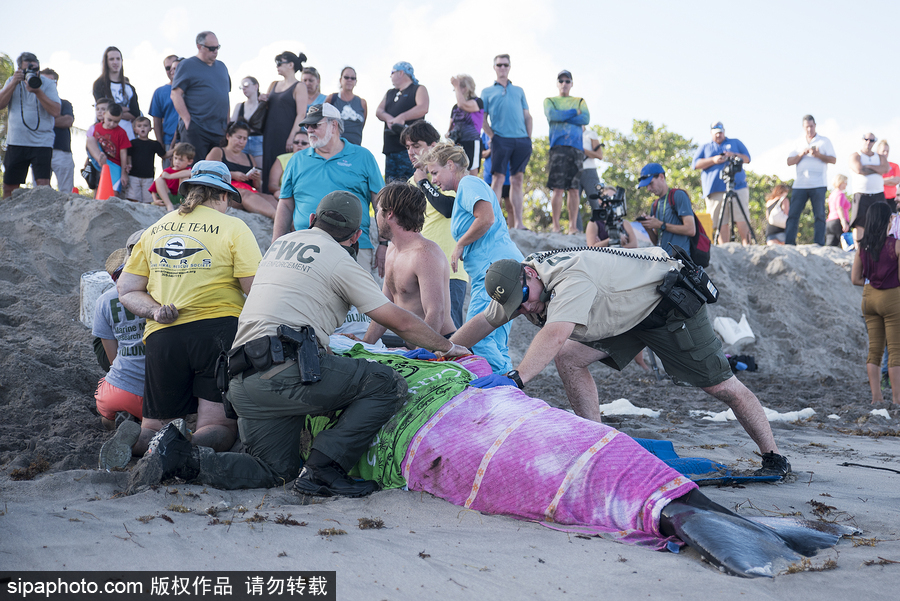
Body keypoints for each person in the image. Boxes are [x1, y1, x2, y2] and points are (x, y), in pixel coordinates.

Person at [125, 191, 469, 498]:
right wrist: (449, 347)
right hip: (285, 372)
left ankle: (183, 459)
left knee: (276, 471)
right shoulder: (340, 260)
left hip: (241, 381)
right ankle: (324, 470)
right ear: (356, 236)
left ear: (311, 220)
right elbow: (401, 320)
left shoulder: (278, 245)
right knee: (385, 383)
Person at [449, 250, 791, 476]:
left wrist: (517, 379)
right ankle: (598, 444)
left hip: (667, 308)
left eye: (523, 301)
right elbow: (485, 320)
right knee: (571, 357)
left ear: (530, 274)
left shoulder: (570, 280)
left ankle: (774, 457)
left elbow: (554, 334)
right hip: (625, 314)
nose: (523, 310)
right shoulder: (517, 285)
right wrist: (445, 351)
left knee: (721, 386)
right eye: (515, 309)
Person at [116, 160, 262, 458]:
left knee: (154, 424)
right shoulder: (234, 227)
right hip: (217, 333)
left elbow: (127, 289)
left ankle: (138, 443)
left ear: (188, 190)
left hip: (162, 335)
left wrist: (155, 311)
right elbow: (255, 290)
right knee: (218, 424)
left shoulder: (156, 228)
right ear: (223, 195)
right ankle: (186, 449)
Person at [423, 142, 524, 374]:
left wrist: (460, 245)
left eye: (435, 172)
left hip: (495, 272)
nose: (434, 180)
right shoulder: (465, 192)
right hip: (501, 270)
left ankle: (507, 387)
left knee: (477, 338)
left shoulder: (469, 182)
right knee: (495, 340)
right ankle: (507, 391)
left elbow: (486, 218)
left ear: (450, 165)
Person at [275, 103, 386, 278]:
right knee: (308, 303)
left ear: (334, 125)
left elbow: (381, 203)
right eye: (307, 125)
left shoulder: (363, 156)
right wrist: (276, 245)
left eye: (315, 125)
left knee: (358, 305)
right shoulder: (297, 160)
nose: (309, 130)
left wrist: (385, 243)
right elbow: (286, 205)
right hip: (304, 247)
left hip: (353, 246)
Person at [363, 182, 456, 346]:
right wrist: (365, 345)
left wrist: (417, 356)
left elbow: (436, 314)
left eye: (378, 210)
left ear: (389, 214)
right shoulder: (392, 249)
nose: (376, 217)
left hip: (437, 345)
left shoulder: (425, 255)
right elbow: (385, 307)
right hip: (411, 344)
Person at [401, 121, 469, 328]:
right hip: (418, 270)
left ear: (433, 145)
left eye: (416, 145)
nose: (412, 152)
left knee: (450, 336)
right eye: (408, 147)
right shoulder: (410, 183)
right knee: (419, 334)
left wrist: (424, 181)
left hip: (449, 270)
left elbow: (448, 208)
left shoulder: (447, 174)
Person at [95, 232, 149, 470]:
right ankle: (143, 425)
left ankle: (112, 418)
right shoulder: (156, 293)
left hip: (116, 391)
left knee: (108, 378)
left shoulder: (104, 300)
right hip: (154, 396)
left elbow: (111, 358)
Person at [851, 202, 900, 405]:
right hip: (891, 297)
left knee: (874, 351)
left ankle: (876, 398)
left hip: (869, 297)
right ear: (887, 220)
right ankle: (897, 399)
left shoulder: (863, 246)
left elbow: (855, 278)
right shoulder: (896, 245)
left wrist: (872, 282)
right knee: (896, 351)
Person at [481, 54, 533, 230]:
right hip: (500, 139)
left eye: (505, 65)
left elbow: (527, 115)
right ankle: (495, 222)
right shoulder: (487, 92)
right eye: (499, 65)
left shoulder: (518, 90)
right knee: (498, 179)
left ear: (510, 67)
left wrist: (528, 138)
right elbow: (482, 117)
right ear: (494, 67)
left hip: (521, 140)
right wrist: (492, 136)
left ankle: (519, 223)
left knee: (517, 180)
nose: (502, 68)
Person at [0, 52, 61, 198]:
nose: (32, 73)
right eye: (27, 69)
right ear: (19, 70)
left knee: (43, 185)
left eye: (35, 69)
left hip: (42, 142)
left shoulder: (48, 84)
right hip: (16, 141)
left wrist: (38, 92)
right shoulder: (11, 81)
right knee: (9, 187)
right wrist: (14, 82)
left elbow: (56, 111)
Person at [171, 31, 231, 161]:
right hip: (198, 128)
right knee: (196, 170)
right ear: (199, 46)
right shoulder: (187, 65)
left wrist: (227, 124)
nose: (215, 51)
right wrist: (188, 121)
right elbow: (175, 94)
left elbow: (225, 97)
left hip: (219, 130)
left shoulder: (222, 67)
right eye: (211, 48)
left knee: (215, 171)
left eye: (217, 47)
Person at [544, 70, 590, 234]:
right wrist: (573, 113)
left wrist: (562, 116)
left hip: (576, 148)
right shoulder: (550, 100)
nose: (564, 84)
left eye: (567, 81)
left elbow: (585, 119)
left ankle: (573, 227)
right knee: (557, 188)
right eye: (561, 81)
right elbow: (552, 115)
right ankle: (556, 226)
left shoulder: (580, 101)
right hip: (558, 147)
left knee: (574, 189)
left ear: (571, 83)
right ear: (557, 83)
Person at [691, 121, 751, 245]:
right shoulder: (705, 147)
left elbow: (747, 158)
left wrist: (732, 155)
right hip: (715, 190)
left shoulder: (735, 142)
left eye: (721, 133)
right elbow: (695, 164)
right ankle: (725, 248)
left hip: (737, 187)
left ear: (724, 132)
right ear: (711, 133)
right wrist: (713, 160)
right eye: (716, 134)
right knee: (720, 221)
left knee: (742, 218)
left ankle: (748, 246)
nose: (719, 136)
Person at [206, 122, 278, 218]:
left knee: (269, 198)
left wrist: (256, 178)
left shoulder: (250, 157)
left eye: (245, 139)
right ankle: (276, 217)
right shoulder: (218, 151)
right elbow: (207, 173)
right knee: (245, 194)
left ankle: (288, 220)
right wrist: (232, 175)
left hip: (249, 192)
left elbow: (257, 187)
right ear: (228, 136)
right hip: (225, 192)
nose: (241, 142)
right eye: (239, 137)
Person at [261, 52, 308, 194]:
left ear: (291, 65)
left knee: (284, 164)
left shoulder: (299, 86)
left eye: (280, 63)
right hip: (269, 132)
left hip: (287, 132)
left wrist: (292, 136)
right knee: (268, 163)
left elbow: (301, 114)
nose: (277, 66)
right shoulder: (273, 84)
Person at [785, 115, 837, 245]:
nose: (809, 129)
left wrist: (818, 155)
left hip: (818, 184)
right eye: (807, 127)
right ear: (803, 127)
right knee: (793, 215)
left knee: (819, 215)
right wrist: (801, 154)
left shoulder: (824, 141)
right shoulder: (798, 142)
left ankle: (818, 243)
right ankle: (789, 243)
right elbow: (789, 161)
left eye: (812, 126)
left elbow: (833, 160)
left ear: (815, 125)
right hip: (800, 184)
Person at [376, 61, 429, 182]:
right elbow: (379, 111)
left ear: (401, 73)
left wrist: (402, 117)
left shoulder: (418, 89)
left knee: (410, 188)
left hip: (410, 149)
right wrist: (389, 119)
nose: (390, 76)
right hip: (391, 148)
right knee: (390, 189)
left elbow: (423, 107)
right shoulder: (390, 93)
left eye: (392, 73)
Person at [636, 163, 696, 252]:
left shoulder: (679, 195)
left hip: (681, 261)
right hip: (663, 260)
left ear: (661, 177)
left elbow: (691, 230)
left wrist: (660, 225)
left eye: (651, 183)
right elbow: (656, 241)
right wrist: (648, 228)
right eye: (646, 186)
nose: (648, 189)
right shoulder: (655, 205)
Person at [92, 47, 141, 140]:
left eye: (118, 59)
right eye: (111, 59)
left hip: (127, 136)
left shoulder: (129, 88)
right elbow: (103, 110)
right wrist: (126, 109)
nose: (115, 62)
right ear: (106, 62)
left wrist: (113, 111)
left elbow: (135, 113)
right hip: (105, 136)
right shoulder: (99, 84)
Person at [39, 69, 74, 194]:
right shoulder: (33, 104)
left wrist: (44, 121)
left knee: (66, 193)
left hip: (62, 151)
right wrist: (56, 120)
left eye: (51, 81)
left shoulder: (65, 104)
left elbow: (67, 121)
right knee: (39, 193)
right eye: (43, 80)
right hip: (40, 151)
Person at [850, 133, 889, 241]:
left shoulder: (879, 157)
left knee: (881, 222)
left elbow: (885, 169)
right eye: (866, 139)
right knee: (859, 223)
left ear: (874, 142)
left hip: (878, 194)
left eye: (871, 140)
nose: (868, 142)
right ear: (862, 140)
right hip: (861, 193)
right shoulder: (856, 155)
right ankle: (858, 250)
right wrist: (877, 169)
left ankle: (880, 248)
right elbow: (859, 170)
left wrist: (868, 166)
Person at [88, 104, 131, 193]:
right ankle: (101, 161)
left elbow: (123, 153)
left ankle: (103, 163)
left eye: (116, 122)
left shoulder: (121, 132)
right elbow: (92, 146)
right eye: (109, 120)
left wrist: (123, 173)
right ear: (104, 114)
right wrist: (87, 162)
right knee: (90, 139)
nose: (112, 124)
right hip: (99, 159)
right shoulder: (97, 127)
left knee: (113, 192)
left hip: (114, 164)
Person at [447, 74, 484, 175]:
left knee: (472, 173)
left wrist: (456, 86)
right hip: (457, 143)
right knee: (457, 173)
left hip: (472, 142)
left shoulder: (478, 101)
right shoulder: (455, 107)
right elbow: (451, 126)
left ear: (465, 87)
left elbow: (462, 105)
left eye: (459, 87)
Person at [125, 116, 167, 203]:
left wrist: (175, 150)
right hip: (134, 175)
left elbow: (164, 155)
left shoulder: (154, 144)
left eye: (145, 125)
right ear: (135, 129)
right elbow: (128, 156)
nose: (142, 128)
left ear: (150, 128)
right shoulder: (132, 143)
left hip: (148, 175)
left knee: (147, 200)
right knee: (133, 198)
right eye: (139, 126)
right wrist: (128, 164)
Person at [325, 66, 367, 146]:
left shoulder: (362, 103)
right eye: (346, 77)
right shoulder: (332, 99)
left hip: (355, 149)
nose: (349, 80)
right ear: (340, 80)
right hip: (334, 148)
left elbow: (361, 126)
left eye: (353, 78)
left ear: (356, 81)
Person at [149, 55, 181, 156]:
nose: (171, 70)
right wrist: (160, 143)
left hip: (189, 140)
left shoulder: (192, 89)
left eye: (174, 67)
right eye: (168, 68)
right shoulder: (159, 92)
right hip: (168, 141)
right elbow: (156, 121)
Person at [149, 142, 196, 211]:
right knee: (159, 180)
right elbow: (154, 188)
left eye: (181, 160)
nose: (177, 162)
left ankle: (185, 204)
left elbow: (190, 173)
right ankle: (169, 205)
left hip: (182, 198)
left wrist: (170, 176)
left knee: (185, 178)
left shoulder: (188, 170)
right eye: (175, 158)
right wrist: (155, 200)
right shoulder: (167, 171)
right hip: (168, 197)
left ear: (189, 162)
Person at [230, 76, 264, 167]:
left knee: (258, 172)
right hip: (241, 141)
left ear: (255, 86)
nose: (244, 88)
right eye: (241, 87)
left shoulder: (264, 105)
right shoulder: (239, 106)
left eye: (246, 85)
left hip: (259, 141)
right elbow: (232, 126)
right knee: (241, 168)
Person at [267, 129, 309, 199]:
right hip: (286, 194)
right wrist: (288, 192)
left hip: (306, 195)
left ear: (311, 145)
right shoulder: (282, 159)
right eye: (296, 142)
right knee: (277, 194)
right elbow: (272, 186)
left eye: (304, 143)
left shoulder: (315, 160)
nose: (299, 145)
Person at [580, 126, 604, 212]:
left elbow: (599, 155)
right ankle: (576, 226)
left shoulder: (590, 134)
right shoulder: (571, 135)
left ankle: (600, 224)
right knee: (573, 206)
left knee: (596, 202)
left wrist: (583, 150)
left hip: (589, 171)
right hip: (575, 171)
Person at [825, 175, 851, 247]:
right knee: (846, 245)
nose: (846, 184)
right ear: (841, 182)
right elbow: (839, 207)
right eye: (845, 182)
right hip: (838, 221)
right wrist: (843, 221)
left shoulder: (832, 194)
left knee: (830, 245)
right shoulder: (840, 194)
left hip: (830, 221)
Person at [877, 140, 900, 211]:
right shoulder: (875, 166)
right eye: (883, 151)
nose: (885, 153)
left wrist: (881, 181)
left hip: (892, 199)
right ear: (878, 151)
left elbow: (897, 180)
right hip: (878, 197)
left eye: (887, 151)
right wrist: (890, 179)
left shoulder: (894, 166)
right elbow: (875, 182)